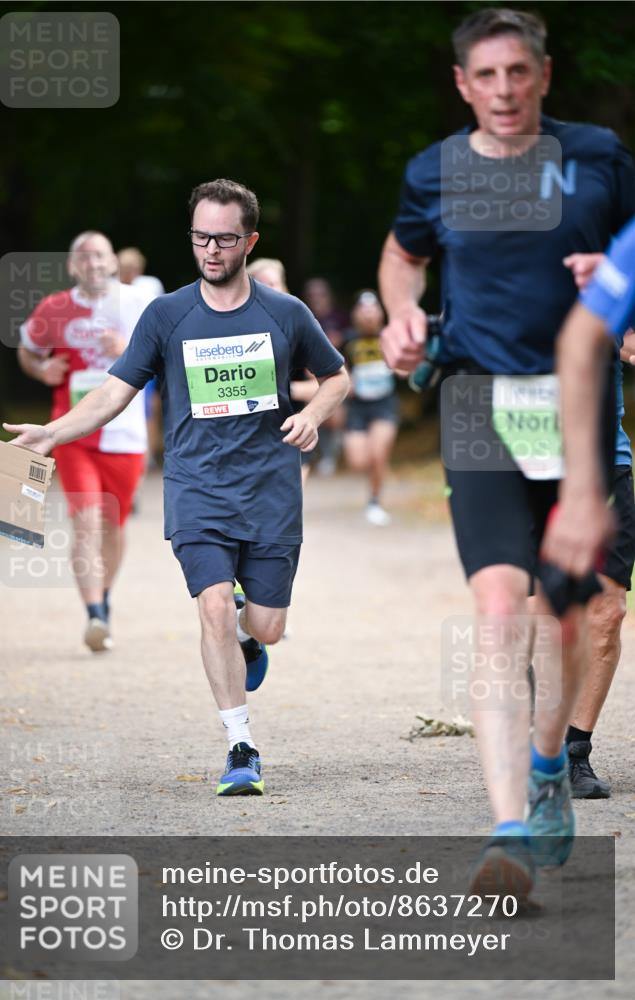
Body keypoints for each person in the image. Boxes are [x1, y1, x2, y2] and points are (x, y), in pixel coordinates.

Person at [378, 7, 634, 898]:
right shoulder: (434, 171)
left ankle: (550, 766)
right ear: (461, 84)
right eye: (484, 77)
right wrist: (404, 315)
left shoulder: (597, 156)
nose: (502, 92)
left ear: (544, 75)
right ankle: (510, 828)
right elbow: (401, 257)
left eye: (517, 73)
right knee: (497, 610)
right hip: (476, 401)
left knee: (559, 619)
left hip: (573, 404)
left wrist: (617, 293)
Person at [5, 179, 349, 797]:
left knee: (267, 626)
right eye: (200, 238)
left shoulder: (284, 312)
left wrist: (312, 414)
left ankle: (251, 635)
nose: (210, 250)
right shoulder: (165, 315)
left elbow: (336, 378)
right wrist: (54, 433)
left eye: (223, 238)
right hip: (197, 487)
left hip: (270, 488)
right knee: (212, 603)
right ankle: (241, 746)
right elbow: (114, 391)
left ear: (250, 241)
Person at [13, 231, 148, 653]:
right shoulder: (55, 307)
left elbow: (167, 357)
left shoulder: (139, 303)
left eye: (99, 256)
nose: (92, 264)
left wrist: (127, 349)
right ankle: (94, 613)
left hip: (126, 433)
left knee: (114, 524)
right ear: (73, 266)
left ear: (113, 262)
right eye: (83, 258)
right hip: (73, 432)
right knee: (87, 519)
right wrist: (41, 370)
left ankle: (104, 600)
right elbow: (27, 348)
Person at [543, 218, 635, 795]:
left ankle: (575, 750)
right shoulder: (497, 270)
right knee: (545, 621)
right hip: (525, 468)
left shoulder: (612, 265)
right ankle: (539, 741)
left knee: (606, 614)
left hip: (607, 463)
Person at [248, 258, 319, 487]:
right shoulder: (232, 334)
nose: (268, 291)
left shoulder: (298, 329)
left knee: (283, 509)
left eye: (273, 284)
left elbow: (325, 385)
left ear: (284, 288)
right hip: (246, 439)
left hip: (290, 434)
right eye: (260, 285)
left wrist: (283, 390)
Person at [342, 290, 400, 526]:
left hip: (384, 404)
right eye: (363, 310)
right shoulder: (347, 340)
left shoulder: (391, 336)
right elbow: (332, 366)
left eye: (372, 309)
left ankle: (374, 501)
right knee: (358, 461)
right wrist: (347, 379)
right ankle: (373, 481)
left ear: (380, 313)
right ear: (355, 314)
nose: (368, 315)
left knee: (378, 454)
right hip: (357, 406)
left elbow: (408, 364)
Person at [118, 246, 165, 467]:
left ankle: (146, 453)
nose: (130, 272)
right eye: (126, 268)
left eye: (134, 267)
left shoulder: (150, 285)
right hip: (118, 355)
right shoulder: (111, 290)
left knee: (148, 404)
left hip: (146, 353)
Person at [302, 277, 349, 475]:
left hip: (337, 372)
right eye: (313, 295)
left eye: (321, 294)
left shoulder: (340, 317)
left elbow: (350, 344)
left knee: (335, 414)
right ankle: (315, 454)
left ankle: (330, 453)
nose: (317, 298)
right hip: (308, 375)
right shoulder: (305, 316)